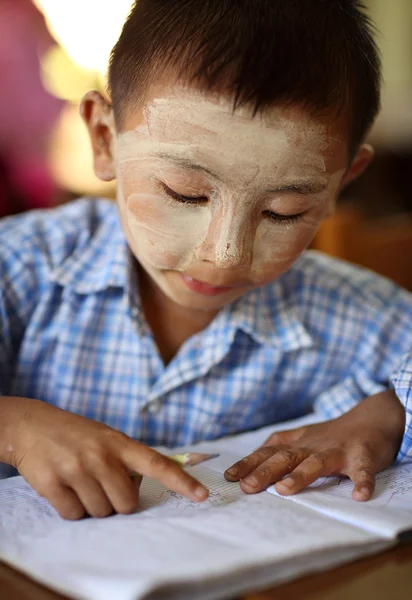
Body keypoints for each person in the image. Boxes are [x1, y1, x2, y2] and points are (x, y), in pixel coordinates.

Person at [0, 0, 411, 520]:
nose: (224, 256)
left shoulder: (345, 309)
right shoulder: (23, 265)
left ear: (340, 186)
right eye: (186, 193)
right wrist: (14, 426)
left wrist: (387, 414)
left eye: (283, 212)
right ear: (105, 140)